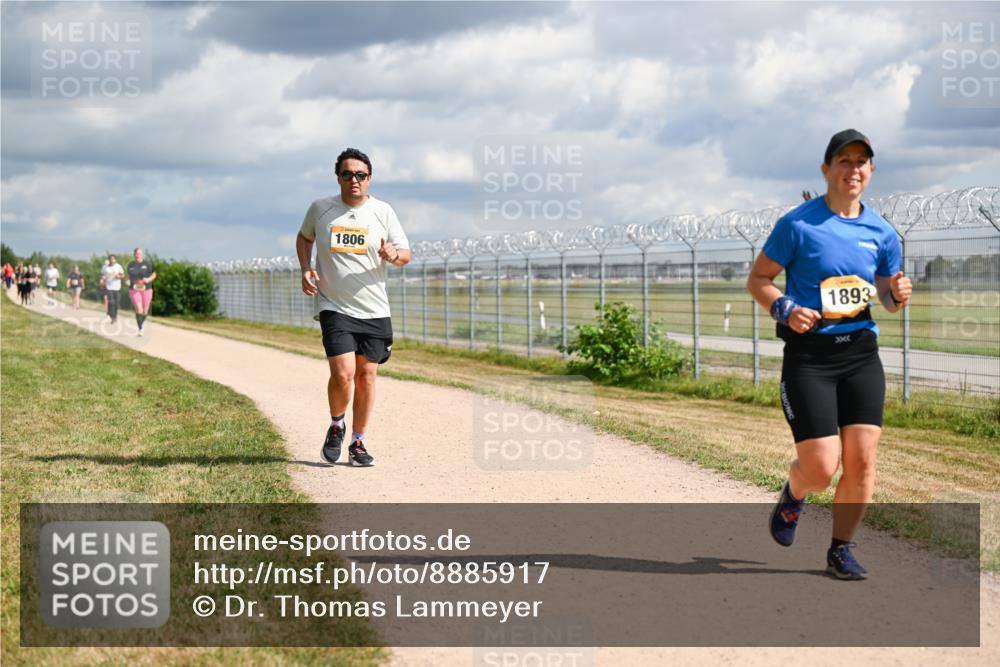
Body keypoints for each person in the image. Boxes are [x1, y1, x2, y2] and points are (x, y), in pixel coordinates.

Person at [747, 129, 912, 581]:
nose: (853, 169)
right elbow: (759, 279)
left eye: (862, 161)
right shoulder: (798, 224)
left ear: (871, 171)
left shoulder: (881, 231)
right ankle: (796, 492)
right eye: (844, 160)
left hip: (860, 353)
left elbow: (887, 298)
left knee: (862, 460)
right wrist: (783, 306)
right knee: (821, 469)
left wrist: (898, 293)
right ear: (826, 169)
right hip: (810, 357)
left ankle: (841, 549)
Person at [297, 147, 411, 467]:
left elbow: (405, 254)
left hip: (374, 309)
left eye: (361, 175)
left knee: (367, 377)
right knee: (343, 373)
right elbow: (304, 239)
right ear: (338, 178)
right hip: (334, 305)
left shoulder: (383, 212)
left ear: (369, 178)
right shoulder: (321, 209)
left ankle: (357, 443)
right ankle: (337, 424)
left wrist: (393, 255)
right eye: (348, 174)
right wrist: (306, 268)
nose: (354, 180)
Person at [127, 247, 156, 336]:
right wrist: (127, 281)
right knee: (139, 309)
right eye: (137, 253)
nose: (138, 255)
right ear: (134, 254)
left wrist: (149, 279)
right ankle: (140, 329)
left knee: (145, 310)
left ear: (142, 254)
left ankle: (141, 324)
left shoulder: (148, 264)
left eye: (140, 253)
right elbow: (128, 276)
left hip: (146, 289)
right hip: (134, 289)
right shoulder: (131, 265)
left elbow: (154, 274)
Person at [101, 254, 125, 324]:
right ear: (109, 260)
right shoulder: (105, 267)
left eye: (113, 259)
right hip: (109, 287)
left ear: (115, 260)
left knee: (116, 303)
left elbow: (123, 275)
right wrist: (103, 279)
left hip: (117, 287)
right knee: (111, 302)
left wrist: (119, 276)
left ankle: (115, 316)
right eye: (110, 259)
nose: (112, 260)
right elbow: (102, 275)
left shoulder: (118, 266)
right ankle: (112, 317)